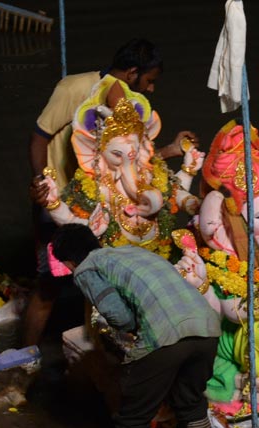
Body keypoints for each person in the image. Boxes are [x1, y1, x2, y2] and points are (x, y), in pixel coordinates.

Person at [23, 39, 198, 347]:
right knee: (49, 284)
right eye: (149, 81)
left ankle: (93, 347)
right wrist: (43, 185)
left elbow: (129, 158)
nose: (152, 89)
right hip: (66, 198)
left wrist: (170, 150)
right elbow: (39, 138)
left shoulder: (128, 102)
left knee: (106, 279)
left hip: (111, 203)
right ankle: (25, 358)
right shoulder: (74, 88)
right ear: (132, 73)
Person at [49, 223, 222, 428]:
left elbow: (119, 315)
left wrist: (128, 336)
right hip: (206, 327)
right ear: (95, 241)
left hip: (165, 335)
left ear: (68, 262)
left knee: (132, 424)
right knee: (192, 406)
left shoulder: (86, 269)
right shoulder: (132, 252)